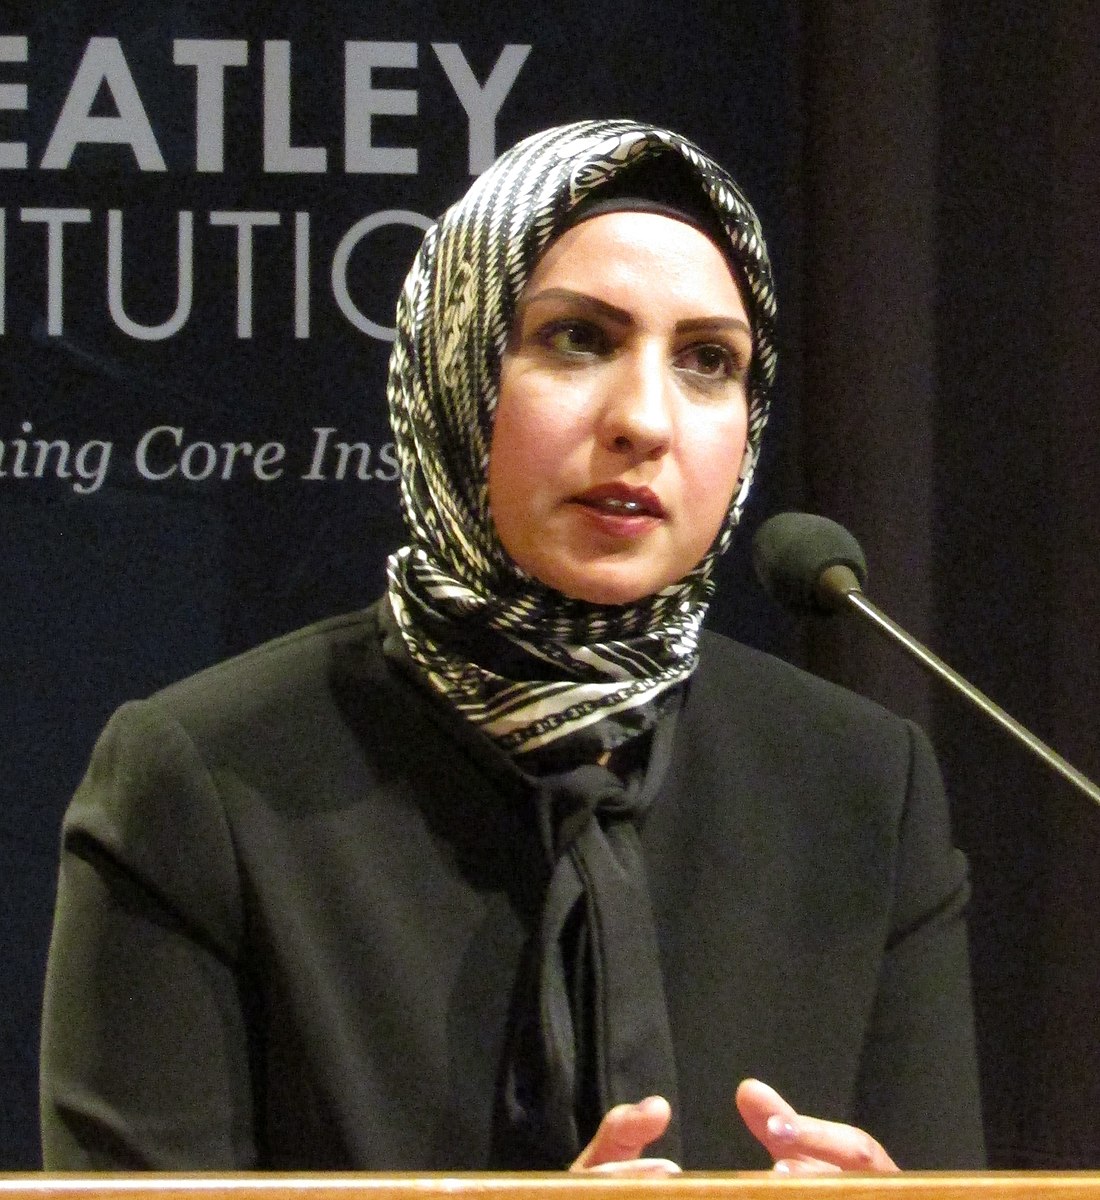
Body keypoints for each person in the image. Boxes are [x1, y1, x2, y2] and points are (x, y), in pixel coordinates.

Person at [39, 119, 985, 1173]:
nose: (644, 420)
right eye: (578, 338)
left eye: (708, 361)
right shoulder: (205, 782)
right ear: (455, 366)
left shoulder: (863, 787)